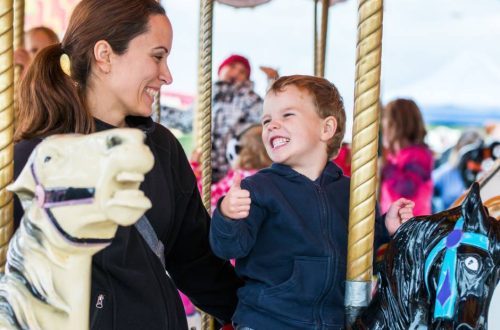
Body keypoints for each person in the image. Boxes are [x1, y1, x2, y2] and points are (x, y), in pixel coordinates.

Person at [13, 1, 241, 329]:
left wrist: (270, 315)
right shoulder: (37, 158)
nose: (167, 75)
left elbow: (197, 262)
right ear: (105, 55)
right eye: (157, 56)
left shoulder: (161, 148)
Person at [209, 75, 415, 329]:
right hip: (268, 320)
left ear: (326, 128)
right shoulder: (259, 188)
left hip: (332, 321)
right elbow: (229, 248)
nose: (272, 125)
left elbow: (363, 257)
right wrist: (227, 216)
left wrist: (385, 228)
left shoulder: (353, 192)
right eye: (266, 120)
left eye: (287, 115)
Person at [211, 54, 263, 183]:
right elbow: (186, 119)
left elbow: (268, 114)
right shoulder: (208, 96)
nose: (236, 73)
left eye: (242, 72)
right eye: (232, 66)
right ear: (221, 69)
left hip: (235, 168)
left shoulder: (249, 98)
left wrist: (272, 82)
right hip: (206, 165)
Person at [380, 98, 434, 216]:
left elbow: (407, 188)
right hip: (394, 225)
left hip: (412, 227)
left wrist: (385, 167)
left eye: (385, 119)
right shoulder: (393, 157)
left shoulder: (419, 155)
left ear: (396, 125)